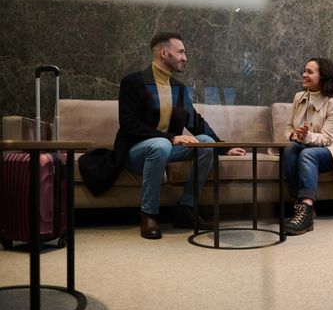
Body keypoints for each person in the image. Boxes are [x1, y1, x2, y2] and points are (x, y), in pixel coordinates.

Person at [79, 32, 245, 239]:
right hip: (136, 152)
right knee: (160, 144)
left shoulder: (179, 89)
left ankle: (186, 208)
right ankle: (148, 214)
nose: (185, 58)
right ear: (164, 53)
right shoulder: (133, 82)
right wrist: (171, 137)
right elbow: (129, 125)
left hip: (166, 150)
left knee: (206, 143)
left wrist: (224, 147)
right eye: (181, 52)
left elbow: (196, 123)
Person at [283, 58, 333, 235]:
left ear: (322, 77)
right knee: (289, 149)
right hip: (303, 145)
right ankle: (300, 206)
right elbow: (288, 128)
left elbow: (326, 138)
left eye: (309, 72)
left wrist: (306, 136)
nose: (304, 74)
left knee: (307, 154)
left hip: (331, 151)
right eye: (304, 70)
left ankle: (307, 208)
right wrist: (294, 135)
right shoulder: (299, 98)